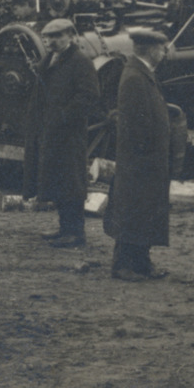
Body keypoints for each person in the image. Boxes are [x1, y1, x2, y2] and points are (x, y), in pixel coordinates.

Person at [23, 18, 100, 248]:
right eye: (48, 37)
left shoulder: (80, 61)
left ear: (70, 36)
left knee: (71, 182)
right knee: (57, 179)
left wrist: (64, 117)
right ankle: (64, 227)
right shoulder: (51, 59)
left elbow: (89, 96)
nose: (51, 41)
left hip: (69, 132)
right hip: (51, 130)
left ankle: (76, 233)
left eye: (57, 36)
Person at [104, 28, 173, 281]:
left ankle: (142, 263)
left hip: (148, 159)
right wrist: (146, 150)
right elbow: (136, 124)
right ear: (152, 50)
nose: (165, 53)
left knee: (144, 211)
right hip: (140, 159)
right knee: (132, 211)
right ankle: (122, 266)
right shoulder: (135, 77)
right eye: (162, 48)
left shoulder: (142, 73)